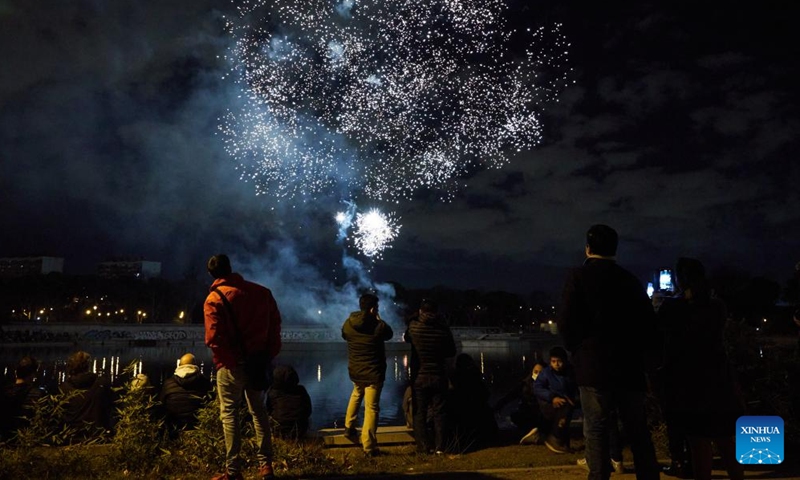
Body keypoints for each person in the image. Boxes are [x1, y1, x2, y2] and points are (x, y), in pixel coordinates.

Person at [557, 224, 661, 480]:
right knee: (638, 431)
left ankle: (599, 476)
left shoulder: (578, 277)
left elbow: (566, 322)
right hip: (629, 366)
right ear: (615, 249)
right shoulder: (630, 280)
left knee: (596, 430)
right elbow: (649, 325)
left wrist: (577, 350)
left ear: (588, 248)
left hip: (593, 367)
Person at [657, 258, 745, 480]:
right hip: (717, 377)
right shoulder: (716, 306)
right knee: (725, 439)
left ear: (679, 279)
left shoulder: (672, 308)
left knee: (698, 443)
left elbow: (662, 341)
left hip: (688, 381)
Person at [204, 254, 282, 480]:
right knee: (259, 412)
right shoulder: (262, 292)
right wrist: (268, 355)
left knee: (229, 415)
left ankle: (233, 470)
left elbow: (213, 339)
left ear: (211, 274)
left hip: (231, 366)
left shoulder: (213, 299)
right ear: (230, 268)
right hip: (258, 363)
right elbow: (275, 326)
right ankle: (266, 466)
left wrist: (227, 362)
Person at [341, 293, 394, 456]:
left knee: (357, 393)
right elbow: (390, 334)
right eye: (376, 308)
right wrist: (378, 319)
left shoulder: (349, 324)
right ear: (373, 309)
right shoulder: (378, 327)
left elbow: (344, 335)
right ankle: (369, 446)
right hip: (373, 373)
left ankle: (349, 427)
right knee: (371, 408)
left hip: (356, 370)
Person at [404, 299, 457, 454]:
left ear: (420, 311)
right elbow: (451, 351)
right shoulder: (443, 329)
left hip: (419, 376)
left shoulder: (413, 327)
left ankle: (423, 446)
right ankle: (441, 447)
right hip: (438, 375)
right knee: (440, 412)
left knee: (419, 412)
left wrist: (413, 318)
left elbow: (407, 338)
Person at [533, 346, 579, 454]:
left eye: (559, 361)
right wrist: (552, 397)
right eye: (553, 361)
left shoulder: (570, 372)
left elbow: (575, 387)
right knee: (563, 413)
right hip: (549, 403)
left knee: (565, 418)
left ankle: (564, 444)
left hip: (567, 401)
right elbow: (538, 387)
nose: (556, 364)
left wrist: (574, 398)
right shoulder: (546, 373)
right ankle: (555, 438)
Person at [448, 352, 497, 452]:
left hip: (463, 413)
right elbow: (486, 394)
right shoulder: (476, 380)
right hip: (478, 411)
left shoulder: (456, 381)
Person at [60, 351, 114, 439]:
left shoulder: (63, 388)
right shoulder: (101, 384)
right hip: (97, 435)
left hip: (71, 436)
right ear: (88, 366)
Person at [494, 360, 546, 444]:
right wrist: (499, 406)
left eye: (541, 372)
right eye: (536, 372)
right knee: (517, 416)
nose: (538, 375)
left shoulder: (550, 385)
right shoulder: (525, 384)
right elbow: (511, 395)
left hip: (543, 414)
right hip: (528, 413)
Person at [159, 353, 212, 435]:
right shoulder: (205, 383)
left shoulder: (168, 383)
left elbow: (162, 404)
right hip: (198, 428)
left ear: (179, 366)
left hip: (174, 428)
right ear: (195, 365)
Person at [0, 355, 45, 441]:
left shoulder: (4, 392)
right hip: (27, 440)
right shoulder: (38, 395)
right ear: (32, 375)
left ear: (16, 372)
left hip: (6, 439)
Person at [267, 364, 312, 439]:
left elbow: (268, 411)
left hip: (279, 431)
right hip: (300, 430)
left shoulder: (273, 393)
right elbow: (308, 410)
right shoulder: (301, 390)